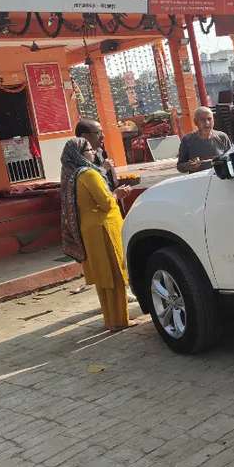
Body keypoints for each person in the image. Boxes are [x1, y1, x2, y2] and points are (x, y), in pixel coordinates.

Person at [59, 137, 132, 331]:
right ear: (79, 154)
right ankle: (119, 321)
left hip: (91, 231)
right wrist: (118, 194)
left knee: (103, 278)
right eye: (89, 150)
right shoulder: (89, 174)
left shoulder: (74, 175)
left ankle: (111, 320)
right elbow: (106, 202)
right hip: (103, 229)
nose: (93, 153)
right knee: (114, 275)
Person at [177, 106, 231, 173]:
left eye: (209, 119)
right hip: (200, 180)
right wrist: (188, 166)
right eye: (202, 120)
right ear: (195, 122)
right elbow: (180, 166)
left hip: (220, 179)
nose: (207, 123)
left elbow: (231, 158)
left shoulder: (222, 137)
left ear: (213, 120)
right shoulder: (187, 140)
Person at [75, 118, 118, 190]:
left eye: (102, 132)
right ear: (84, 136)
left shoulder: (100, 151)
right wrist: (103, 169)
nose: (103, 136)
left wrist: (112, 170)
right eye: (98, 133)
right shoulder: (77, 158)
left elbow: (114, 182)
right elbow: (88, 183)